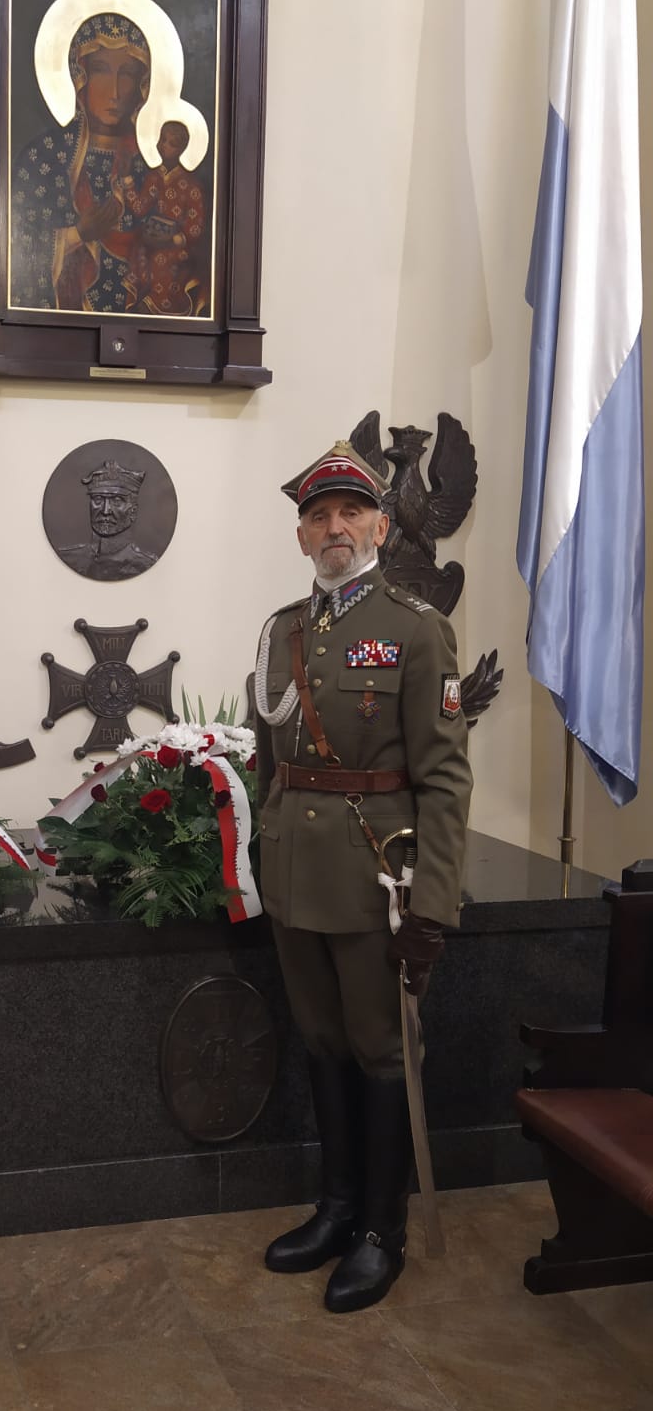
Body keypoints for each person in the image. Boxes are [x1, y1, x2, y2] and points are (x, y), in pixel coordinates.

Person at [251, 440, 472, 1312]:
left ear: (381, 526)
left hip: (376, 880)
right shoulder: (281, 631)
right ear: (302, 535)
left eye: (351, 511)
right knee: (322, 1040)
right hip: (295, 876)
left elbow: (444, 778)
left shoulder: (416, 629)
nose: (334, 527)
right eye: (319, 516)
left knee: (382, 1051)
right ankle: (338, 1208)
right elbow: (270, 759)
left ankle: (382, 1232)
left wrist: (434, 907)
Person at [11, 12, 151, 312]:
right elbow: (17, 247)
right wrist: (77, 235)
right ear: (79, 76)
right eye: (100, 71)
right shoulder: (44, 157)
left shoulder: (149, 166)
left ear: (142, 84)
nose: (114, 92)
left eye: (127, 74)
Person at [120, 119, 209, 316]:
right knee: (138, 252)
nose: (163, 146)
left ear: (181, 149)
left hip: (177, 246)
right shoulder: (155, 177)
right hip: (153, 239)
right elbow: (140, 207)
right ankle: (139, 307)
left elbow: (196, 225)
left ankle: (156, 308)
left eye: (171, 143)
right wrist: (127, 178)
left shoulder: (191, 184)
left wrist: (173, 239)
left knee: (164, 262)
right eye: (162, 140)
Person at [54, 459, 159, 580]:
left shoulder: (145, 564)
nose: (105, 511)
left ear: (133, 511)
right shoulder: (68, 558)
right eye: (98, 499)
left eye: (117, 501)